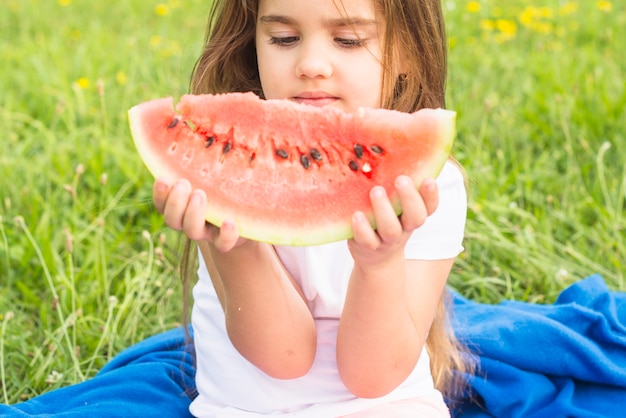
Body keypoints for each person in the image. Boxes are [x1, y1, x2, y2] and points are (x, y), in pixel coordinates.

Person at [153, 0, 473, 416]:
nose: (311, 64)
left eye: (348, 40)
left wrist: (380, 264)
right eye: (283, 39)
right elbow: (282, 357)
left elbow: (374, 377)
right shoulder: (221, 172)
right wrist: (239, 247)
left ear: (408, 54)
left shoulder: (431, 187)